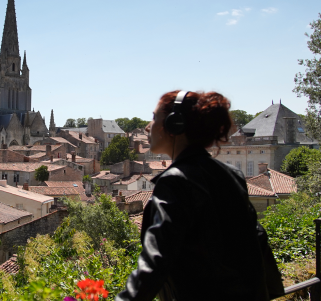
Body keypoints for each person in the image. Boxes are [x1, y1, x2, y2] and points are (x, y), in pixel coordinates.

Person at [116, 91, 283, 301]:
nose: (148, 127)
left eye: (154, 117)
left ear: (174, 124)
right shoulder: (232, 174)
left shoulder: (175, 181)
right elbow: (256, 239)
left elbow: (155, 260)